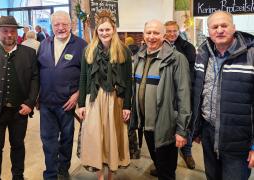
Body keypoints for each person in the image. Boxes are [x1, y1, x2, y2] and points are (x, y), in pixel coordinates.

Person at [191, 10, 254, 180]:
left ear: (234, 28)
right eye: (214, 27)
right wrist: (196, 128)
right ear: (209, 31)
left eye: (224, 25)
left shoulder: (250, 55)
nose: (219, 30)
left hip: (238, 139)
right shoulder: (203, 54)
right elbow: (198, 92)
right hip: (208, 134)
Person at [132, 19, 191, 180]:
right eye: (148, 33)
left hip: (166, 127)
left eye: (156, 33)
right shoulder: (139, 57)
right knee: (158, 162)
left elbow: (184, 96)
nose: (152, 36)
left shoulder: (176, 59)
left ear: (164, 36)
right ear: (143, 35)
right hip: (146, 124)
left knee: (167, 171)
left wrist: (181, 130)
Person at [77, 9, 132, 180]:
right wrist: (81, 104)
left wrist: (128, 106)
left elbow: (128, 80)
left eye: (107, 29)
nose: (104, 33)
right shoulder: (88, 50)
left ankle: (111, 174)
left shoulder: (123, 51)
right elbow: (84, 77)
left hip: (116, 99)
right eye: (101, 30)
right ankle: (100, 174)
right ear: (96, 31)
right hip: (94, 98)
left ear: (113, 30)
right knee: (96, 136)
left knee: (113, 136)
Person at [0, 16, 39, 180]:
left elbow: (35, 78)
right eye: (5, 31)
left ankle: (18, 176)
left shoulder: (29, 53)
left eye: (13, 31)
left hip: (19, 111)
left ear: (17, 33)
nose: (9, 34)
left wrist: (30, 102)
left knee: (18, 146)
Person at [37, 11, 87, 180]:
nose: (60, 28)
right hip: (46, 104)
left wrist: (77, 96)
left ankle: (63, 170)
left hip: (67, 103)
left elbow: (87, 76)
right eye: (56, 25)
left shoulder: (81, 45)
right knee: (48, 141)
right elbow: (37, 72)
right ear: (51, 27)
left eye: (64, 24)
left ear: (71, 25)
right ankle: (50, 173)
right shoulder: (44, 44)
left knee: (66, 139)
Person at [164, 20, 196, 170]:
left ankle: (187, 152)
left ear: (178, 31)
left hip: (183, 91)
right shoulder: (161, 46)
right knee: (168, 125)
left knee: (185, 123)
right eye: (168, 31)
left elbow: (190, 73)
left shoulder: (188, 48)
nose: (171, 33)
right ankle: (167, 161)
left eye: (174, 31)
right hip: (166, 92)